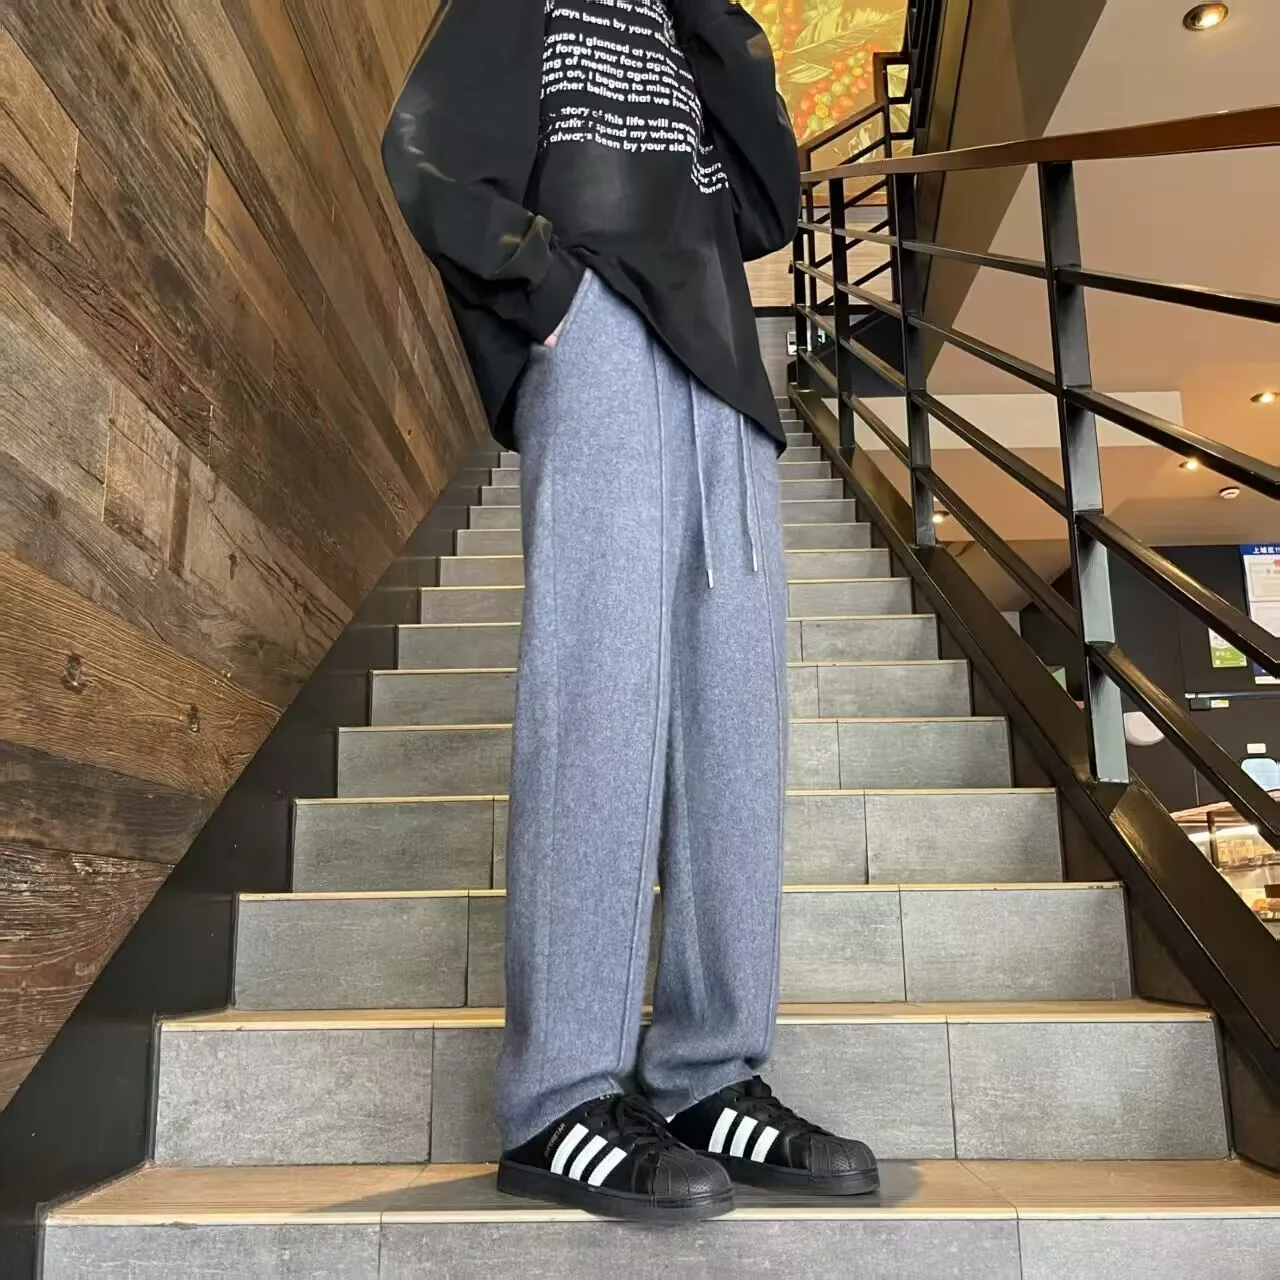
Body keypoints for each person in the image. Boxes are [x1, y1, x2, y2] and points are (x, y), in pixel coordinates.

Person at [382, 0, 878, 1223]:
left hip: (726, 378)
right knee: (599, 691)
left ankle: (708, 1071)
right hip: (600, 331)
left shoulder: (688, 25)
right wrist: (548, 292)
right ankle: (558, 1095)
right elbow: (424, 153)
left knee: (732, 730)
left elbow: (764, 203)